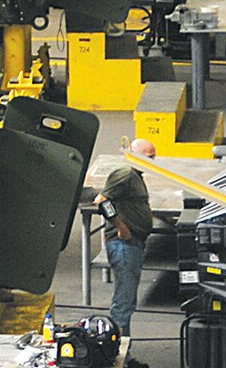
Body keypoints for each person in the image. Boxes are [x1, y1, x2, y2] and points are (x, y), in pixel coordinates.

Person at [95, 138, 155, 338]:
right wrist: (122, 227)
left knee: (126, 302)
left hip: (132, 245)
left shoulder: (135, 176)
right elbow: (102, 202)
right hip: (124, 245)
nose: (153, 161)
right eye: (149, 157)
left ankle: (124, 354)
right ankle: (118, 354)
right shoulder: (125, 174)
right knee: (123, 303)